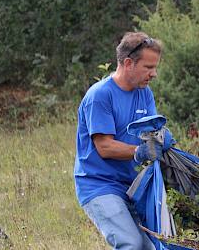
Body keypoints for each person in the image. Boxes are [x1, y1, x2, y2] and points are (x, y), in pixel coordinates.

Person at [73, 32, 173, 250]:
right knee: (132, 243)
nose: (153, 74)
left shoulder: (144, 94)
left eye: (155, 67)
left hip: (133, 186)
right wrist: (139, 151)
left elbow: (151, 133)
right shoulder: (100, 96)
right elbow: (104, 147)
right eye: (148, 67)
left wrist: (161, 138)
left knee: (154, 247)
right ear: (128, 63)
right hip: (99, 185)